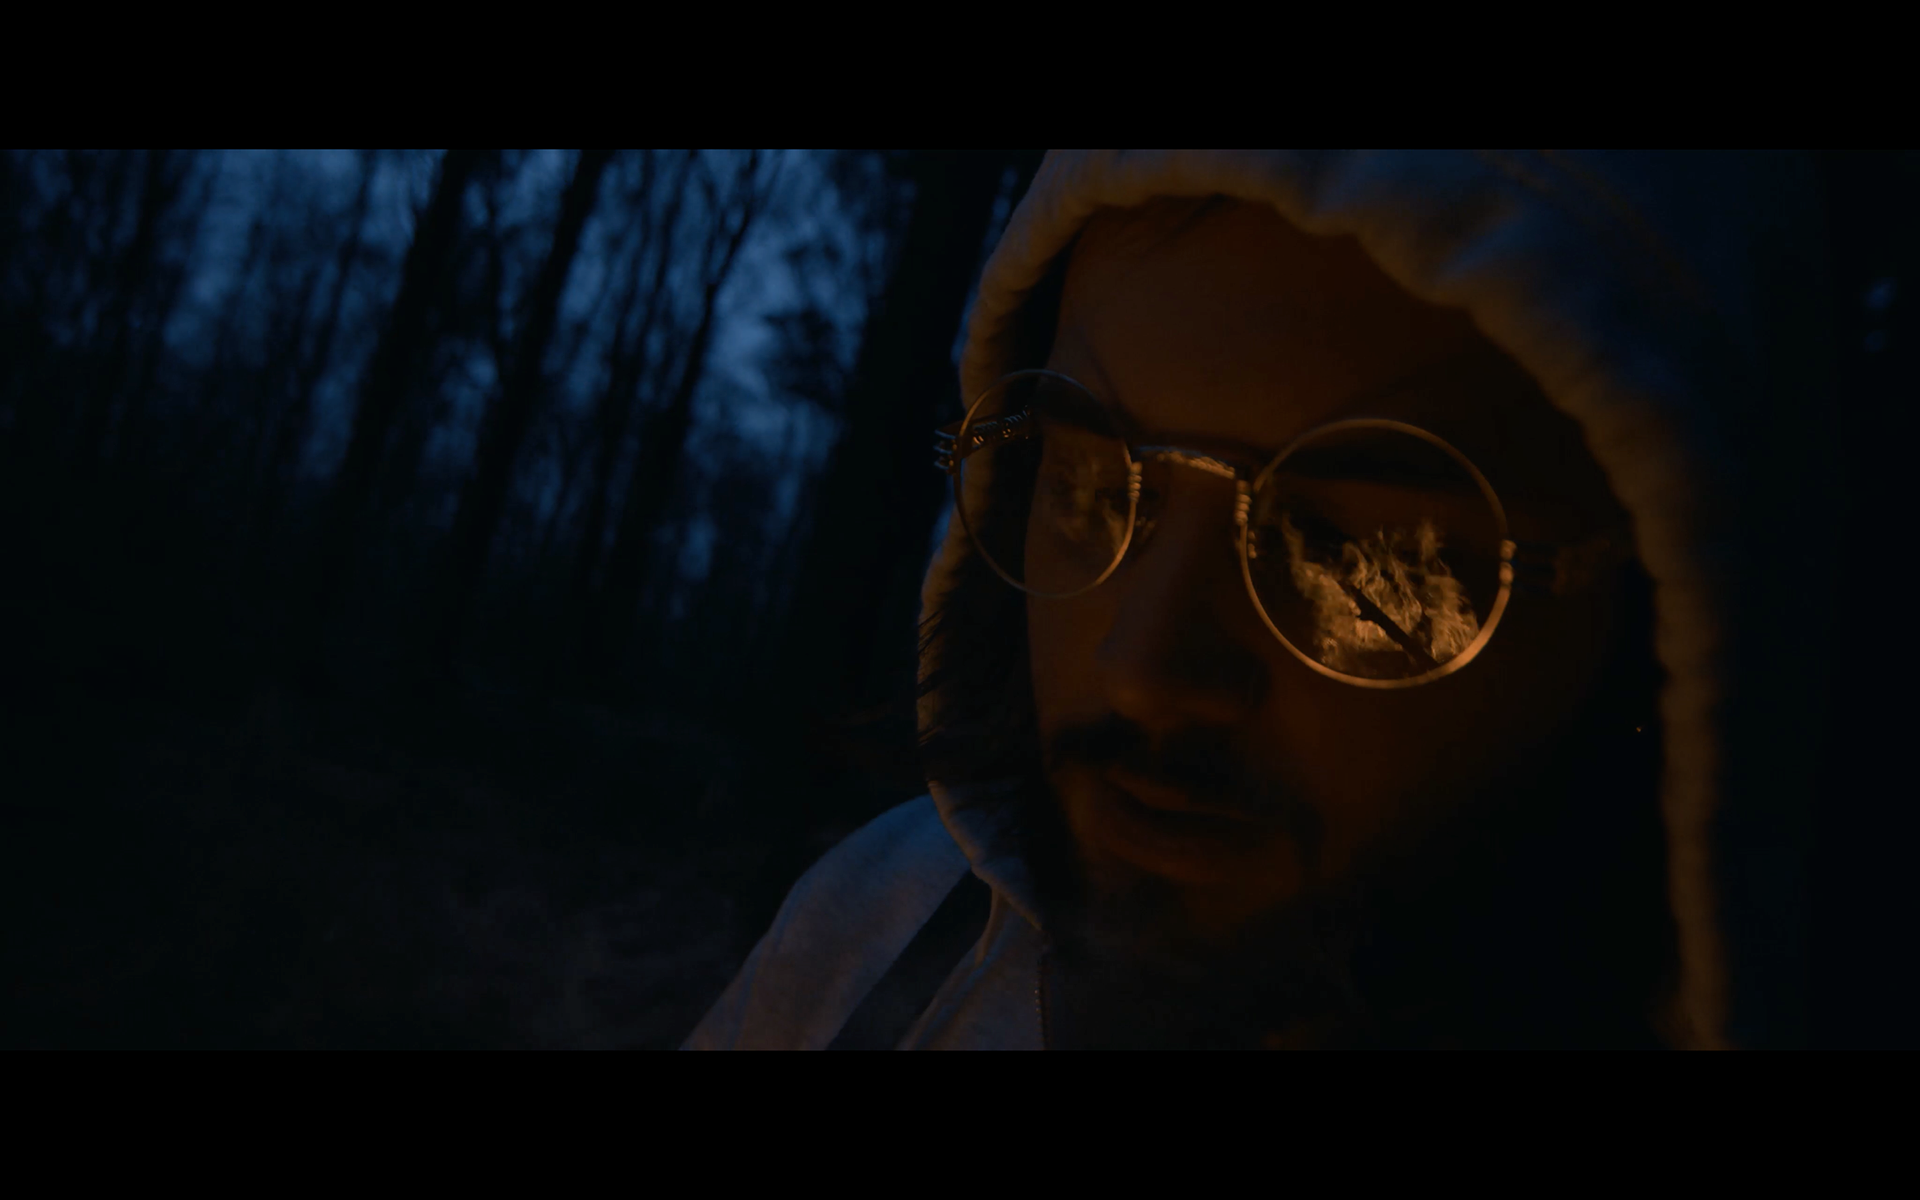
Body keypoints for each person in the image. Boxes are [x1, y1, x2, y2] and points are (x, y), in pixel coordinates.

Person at [687, 150, 1835, 1049]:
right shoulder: (880, 928)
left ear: (1658, 622)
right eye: (1085, 486)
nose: (1144, 667)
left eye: (1365, 559)